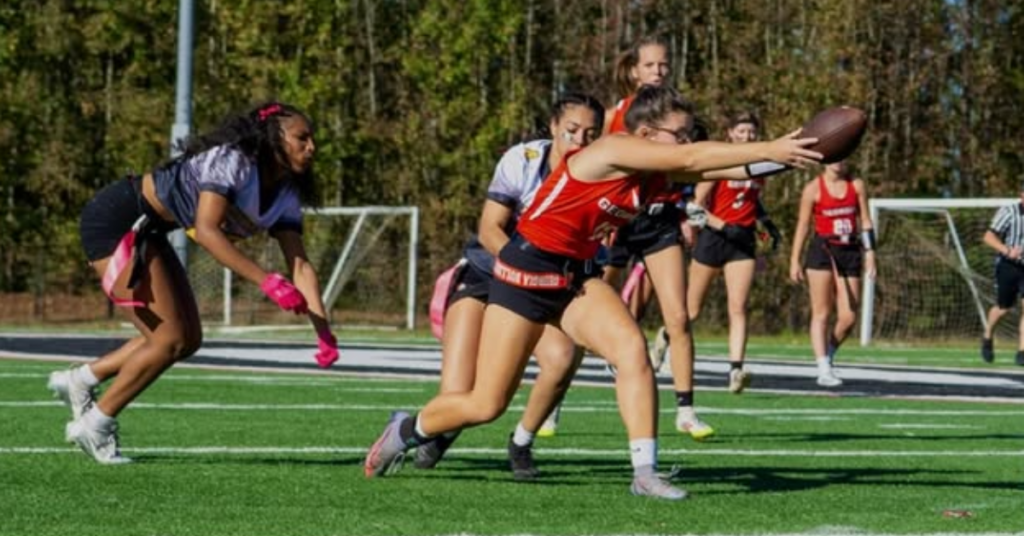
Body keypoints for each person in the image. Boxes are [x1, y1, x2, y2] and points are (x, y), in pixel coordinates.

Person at [363, 85, 822, 500]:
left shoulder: (654, 170)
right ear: (646, 131)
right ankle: (404, 431)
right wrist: (772, 145)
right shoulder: (615, 147)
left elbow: (724, 165)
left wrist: (793, 154)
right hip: (527, 270)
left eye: (689, 134)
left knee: (632, 350)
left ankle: (645, 472)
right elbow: (692, 160)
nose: (687, 141)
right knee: (486, 403)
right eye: (679, 133)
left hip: (575, 274)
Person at [46, 102, 338, 464]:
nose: (311, 147)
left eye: (312, 140)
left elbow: (301, 265)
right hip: (117, 221)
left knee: (187, 340)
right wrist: (267, 282)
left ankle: (82, 380)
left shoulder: (287, 192)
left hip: (149, 231)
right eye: (302, 138)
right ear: (273, 137)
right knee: (169, 340)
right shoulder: (232, 160)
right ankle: (95, 424)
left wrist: (323, 332)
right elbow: (207, 231)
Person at [418, 93, 604, 479]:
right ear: (553, 127)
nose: (580, 142)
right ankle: (413, 431)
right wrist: (525, 271)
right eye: (571, 131)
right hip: (487, 275)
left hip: (536, 286)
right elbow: (489, 229)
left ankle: (521, 442)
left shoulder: (600, 174)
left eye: (591, 134)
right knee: (459, 397)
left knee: (561, 358)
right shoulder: (524, 160)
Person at [597, 36, 715, 440]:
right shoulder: (617, 115)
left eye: (664, 65)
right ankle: (553, 403)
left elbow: (691, 165)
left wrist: (685, 208)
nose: (658, 72)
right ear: (634, 70)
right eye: (650, 66)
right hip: (619, 219)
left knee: (678, 316)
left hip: (660, 221)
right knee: (591, 309)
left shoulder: (677, 117)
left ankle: (686, 409)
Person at [687, 111, 783, 394]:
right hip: (713, 239)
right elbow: (693, 207)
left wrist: (767, 227)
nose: (747, 136)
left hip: (742, 244)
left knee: (738, 307)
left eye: (752, 132)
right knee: (691, 310)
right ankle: (666, 340)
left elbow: (752, 204)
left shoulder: (759, 167)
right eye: (741, 131)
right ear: (730, 133)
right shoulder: (720, 162)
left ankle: (736, 370)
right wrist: (722, 226)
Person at [788, 161, 877, 386]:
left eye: (843, 156)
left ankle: (828, 353)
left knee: (849, 316)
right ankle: (823, 368)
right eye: (834, 156)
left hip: (849, 250)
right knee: (822, 312)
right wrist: (794, 259)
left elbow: (865, 221)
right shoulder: (813, 189)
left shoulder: (856, 185)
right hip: (823, 250)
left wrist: (870, 253)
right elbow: (803, 226)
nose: (839, 161)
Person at [980, 183, 1024, 366]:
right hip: (1008, 265)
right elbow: (988, 237)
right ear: (1022, 195)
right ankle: (988, 335)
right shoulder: (1009, 211)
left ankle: (1022, 351)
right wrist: (1006, 250)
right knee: (1003, 307)